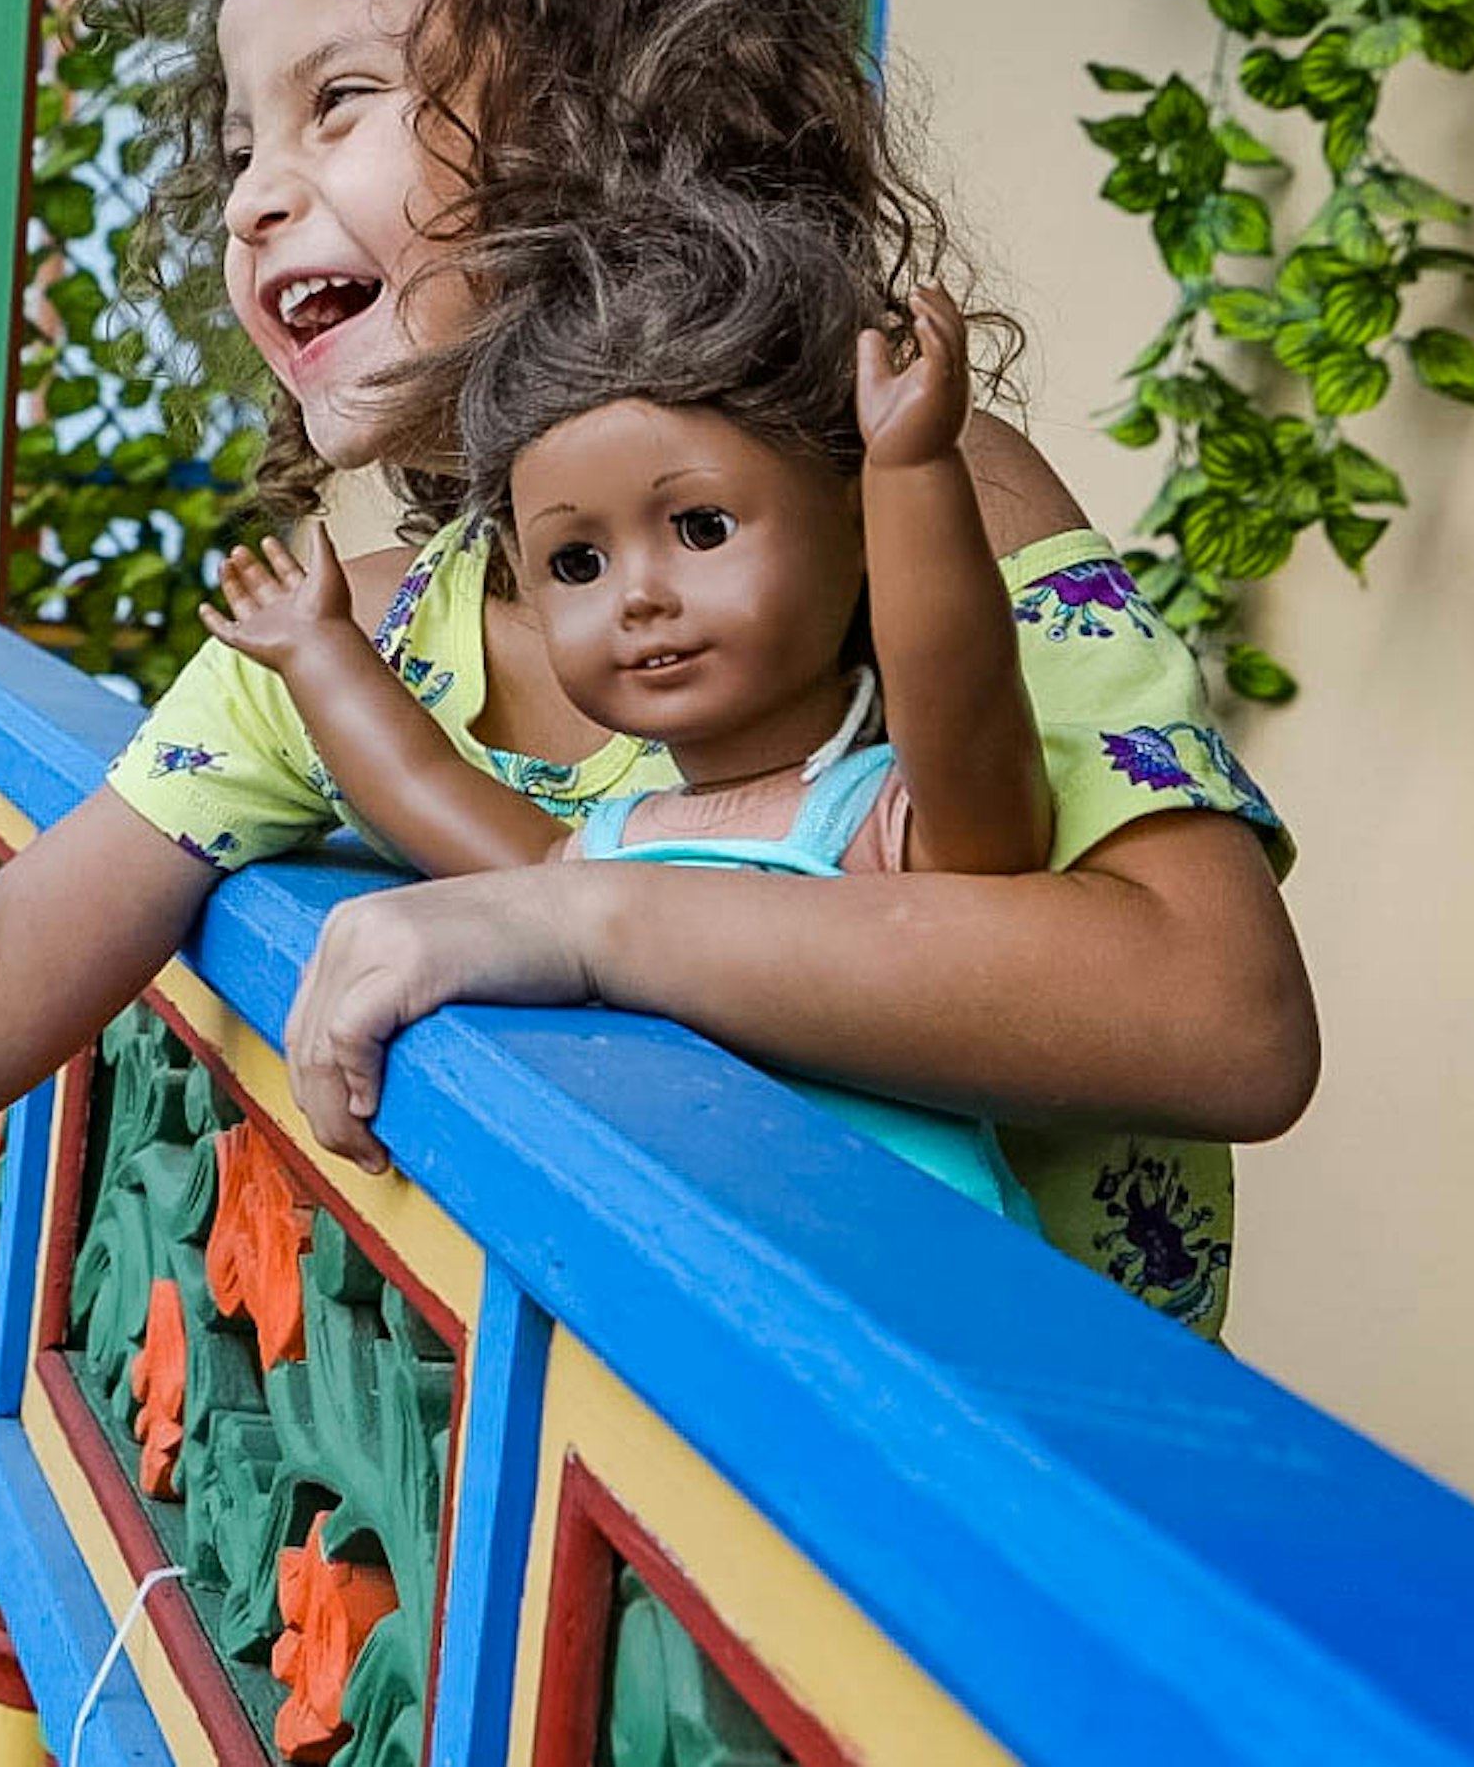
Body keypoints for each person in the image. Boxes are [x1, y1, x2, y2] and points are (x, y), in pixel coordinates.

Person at [0, 0, 1317, 1335]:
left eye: (336, 101)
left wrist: (583, 915)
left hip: (1029, 1533)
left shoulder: (902, 485)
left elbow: (1221, 1019)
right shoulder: (357, 641)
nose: (257, 192)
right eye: (237, 144)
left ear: (599, 118)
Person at [213, 188, 1048, 1207]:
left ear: (853, 524)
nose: (640, 595)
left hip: (886, 1299)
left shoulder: (888, 822)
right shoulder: (609, 846)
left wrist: (913, 472)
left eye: (701, 528)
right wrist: (321, 655)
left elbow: (963, 706)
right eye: (577, 561)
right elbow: (426, 785)